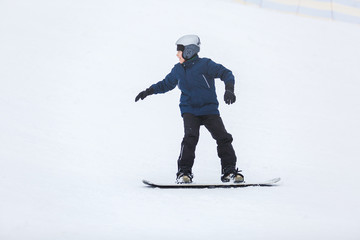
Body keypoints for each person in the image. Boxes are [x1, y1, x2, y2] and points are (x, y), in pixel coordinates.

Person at [135, 35, 244, 184]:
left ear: (189, 51)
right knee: (190, 139)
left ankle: (229, 171)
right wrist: (149, 91)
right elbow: (165, 84)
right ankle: (184, 173)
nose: (177, 54)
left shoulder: (205, 64)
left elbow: (226, 73)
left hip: (209, 110)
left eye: (179, 51)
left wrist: (229, 89)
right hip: (190, 110)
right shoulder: (178, 69)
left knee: (223, 137)